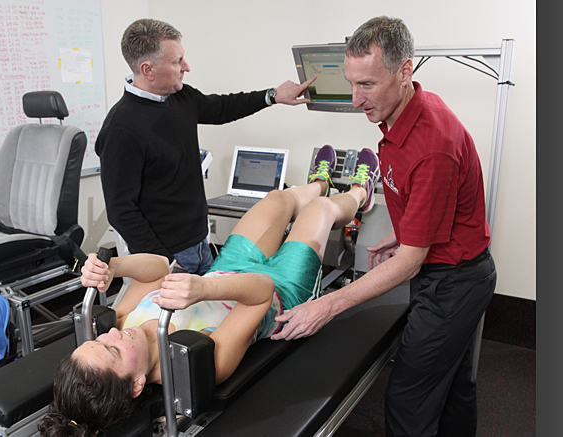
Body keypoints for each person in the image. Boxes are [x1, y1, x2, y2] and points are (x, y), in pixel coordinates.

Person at [37, 145, 379, 437]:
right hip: (281, 292)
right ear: (137, 384)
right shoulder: (201, 359)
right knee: (321, 211)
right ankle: (361, 192)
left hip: (226, 269)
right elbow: (262, 292)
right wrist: (203, 288)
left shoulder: (128, 324)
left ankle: (320, 181)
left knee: (276, 200)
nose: (112, 334)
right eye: (112, 351)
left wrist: (115, 268)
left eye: (99, 340)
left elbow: (158, 267)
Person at [270, 16, 497, 437]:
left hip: (455, 281)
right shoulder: (400, 113)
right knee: (452, 388)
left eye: (367, 85)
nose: (356, 99)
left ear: (404, 71)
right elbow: (429, 203)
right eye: (352, 84)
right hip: (446, 265)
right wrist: (409, 228)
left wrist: (326, 306)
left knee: (409, 400)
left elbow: (410, 263)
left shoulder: (434, 143)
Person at [96, 18, 316, 275]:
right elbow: (122, 211)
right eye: (177, 61)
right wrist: (166, 264)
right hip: (168, 257)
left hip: (200, 244)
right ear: (148, 70)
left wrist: (272, 96)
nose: (186, 67)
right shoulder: (121, 129)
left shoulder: (179, 96)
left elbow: (222, 107)